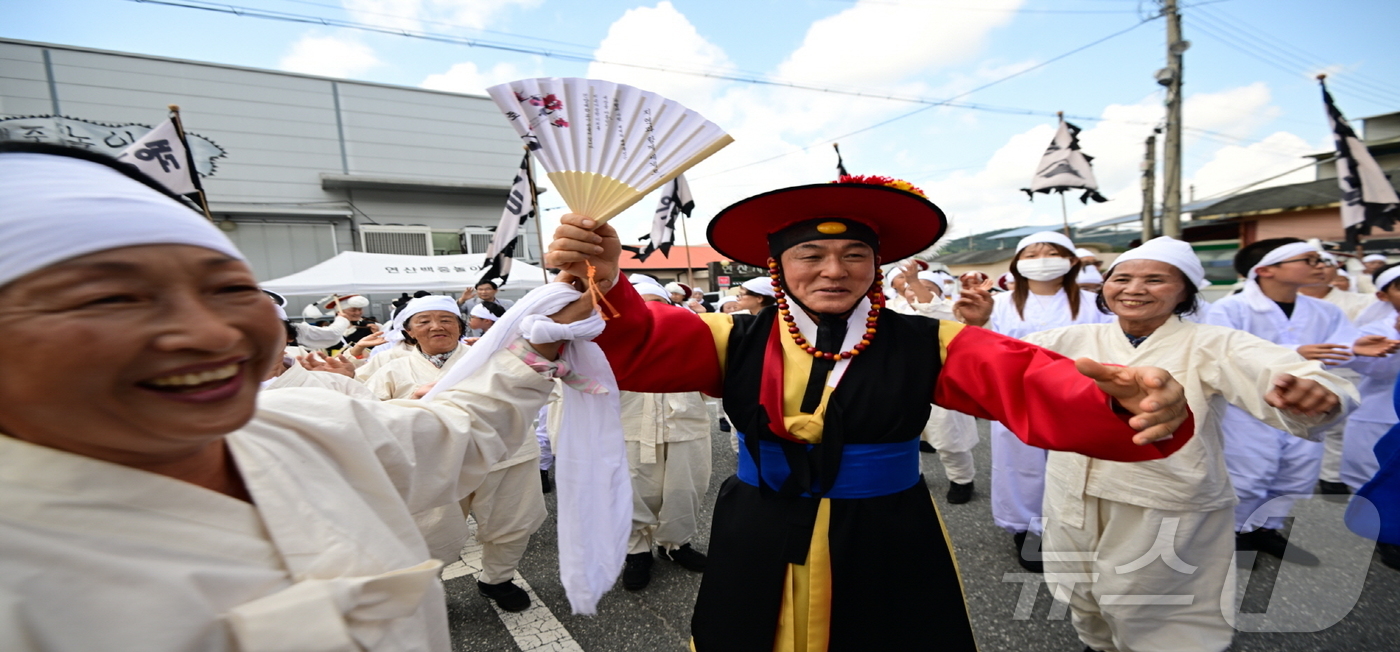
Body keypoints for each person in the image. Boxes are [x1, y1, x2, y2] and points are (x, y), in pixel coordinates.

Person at [546, 175, 1195, 651]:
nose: (835, 270)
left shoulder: (926, 342)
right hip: (759, 526)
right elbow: (635, 342)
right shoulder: (731, 337)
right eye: (811, 255)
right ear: (776, 268)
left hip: (886, 533)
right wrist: (602, 281)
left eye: (855, 255)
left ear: (877, 266)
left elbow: (1026, 382)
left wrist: (1125, 403)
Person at [0, 142, 594, 651]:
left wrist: (536, 341)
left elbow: (457, 428)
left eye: (228, 288)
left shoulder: (302, 424)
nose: (210, 333)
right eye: (107, 299)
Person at [1019, 236, 1354, 652]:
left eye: (1155, 279)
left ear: (1184, 292)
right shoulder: (1071, 339)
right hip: (1072, 491)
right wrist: (975, 325)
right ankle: (1099, 645)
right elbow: (1003, 362)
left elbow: (1276, 367)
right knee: (1079, 589)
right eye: (1121, 278)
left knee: (1153, 603)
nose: (1134, 289)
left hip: (1163, 497)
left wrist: (1314, 391)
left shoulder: (1213, 342)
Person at [1203, 238, 1398, 563]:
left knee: (1297, 474)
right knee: (1249, 474)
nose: (1320, 265)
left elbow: (1344, 350)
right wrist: (1293, 355)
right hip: (1249, 411)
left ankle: (1265, 530)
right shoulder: (1230, 309)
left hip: (1306, 410)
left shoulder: (1325, 311)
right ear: (1266, 270)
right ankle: (1232, 534)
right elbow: (1221, 357)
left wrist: (1357, 349)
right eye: (1309, 260)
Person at [366, 295, 547, 613]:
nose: (436, 326)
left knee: (514, 521)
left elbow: (543, 374)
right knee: (428, 531)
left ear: (461, 326)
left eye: (446, 319)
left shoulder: (492, 355)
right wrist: (412, 402)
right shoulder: (391, 370)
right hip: (435, 463)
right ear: (409, 331)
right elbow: (370, 415)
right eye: (424, 321)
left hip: (509, 454)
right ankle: (424, 589)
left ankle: (497, 580)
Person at [960, 231, 1112, 572]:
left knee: (1078, 465)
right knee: (1020, 464)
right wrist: (977, 323)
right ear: (1017, 265)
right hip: (1018, 397)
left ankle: (1077, 529)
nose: (1042, 260)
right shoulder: (998, 304)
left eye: (1051, 252)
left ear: (1072, 261)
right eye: (1031, 254)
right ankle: (1029, 529)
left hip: (1078, 397)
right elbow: (982, 350)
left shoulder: (1096, 304)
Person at [618, 278, 714, 590]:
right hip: (630, 428)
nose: (650, 311)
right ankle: (637, 550)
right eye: (641, 304)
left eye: (656, 304)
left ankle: (676, 544)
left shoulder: (692, 336)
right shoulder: (612, 341)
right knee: (635, 493)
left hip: (686, 427)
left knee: (685, 491)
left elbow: (714, 384)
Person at [889, 266, 980, 504]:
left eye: (929, 287)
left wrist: (915, 282)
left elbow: (932, 311)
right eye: (910, 286)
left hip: (942, 385)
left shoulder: (949, 311)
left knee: (951, 441)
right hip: (903, 386)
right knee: (907, 439)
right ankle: (914, 478)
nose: (915, 291)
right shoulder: (889, 310)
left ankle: (962, 481)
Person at [1342, 264, 1400, 493]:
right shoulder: (1372, 332)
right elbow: (1380, 371)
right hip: (1380, 418)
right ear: (1382, 296)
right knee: (1378, 489)